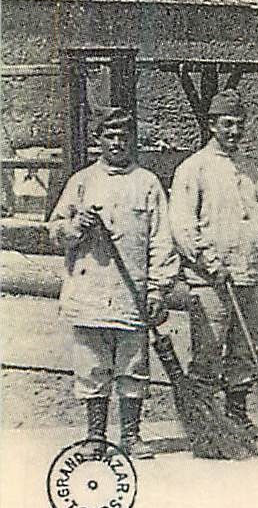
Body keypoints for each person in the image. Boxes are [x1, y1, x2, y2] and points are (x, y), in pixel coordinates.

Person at [48, 107, 179, 459]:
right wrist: (78, 226)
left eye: (124, 137)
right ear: (98, 140)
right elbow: (55, 231)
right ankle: (95, 437)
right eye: (110, 136)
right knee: (92, 366)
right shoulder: (81, 182)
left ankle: (132, 436)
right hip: (89, 293)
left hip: (132, 294)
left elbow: (162, 239)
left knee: (133, 367)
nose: (118, 143)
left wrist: (158, 289)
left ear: (132, 141)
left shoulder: (147, 183)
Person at [169, 89, 258, 432]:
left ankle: (237, 416)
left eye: (239, 124)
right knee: (208, 350)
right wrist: (206, 260)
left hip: (251, 276)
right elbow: (182, 224)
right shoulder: (194, 169)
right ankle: (205, 425)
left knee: (246, 351)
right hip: (212, 279)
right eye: (227, 124)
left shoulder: (252, 171)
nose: (234, 131)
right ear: (212, 125)